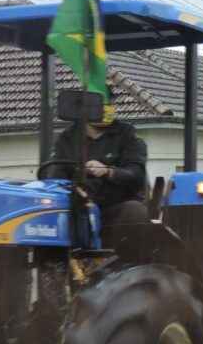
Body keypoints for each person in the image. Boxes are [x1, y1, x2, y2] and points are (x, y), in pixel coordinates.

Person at [44, 100, 149, 241]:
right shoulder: (66, 138)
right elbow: (54, 176)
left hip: (114, 209)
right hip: (78, 209)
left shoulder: (128, 134)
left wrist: (108, 171)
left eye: (108, 102)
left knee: (135, 210)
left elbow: (136, 174)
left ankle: (127, 261)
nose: (105, 107)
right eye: (99, 102)